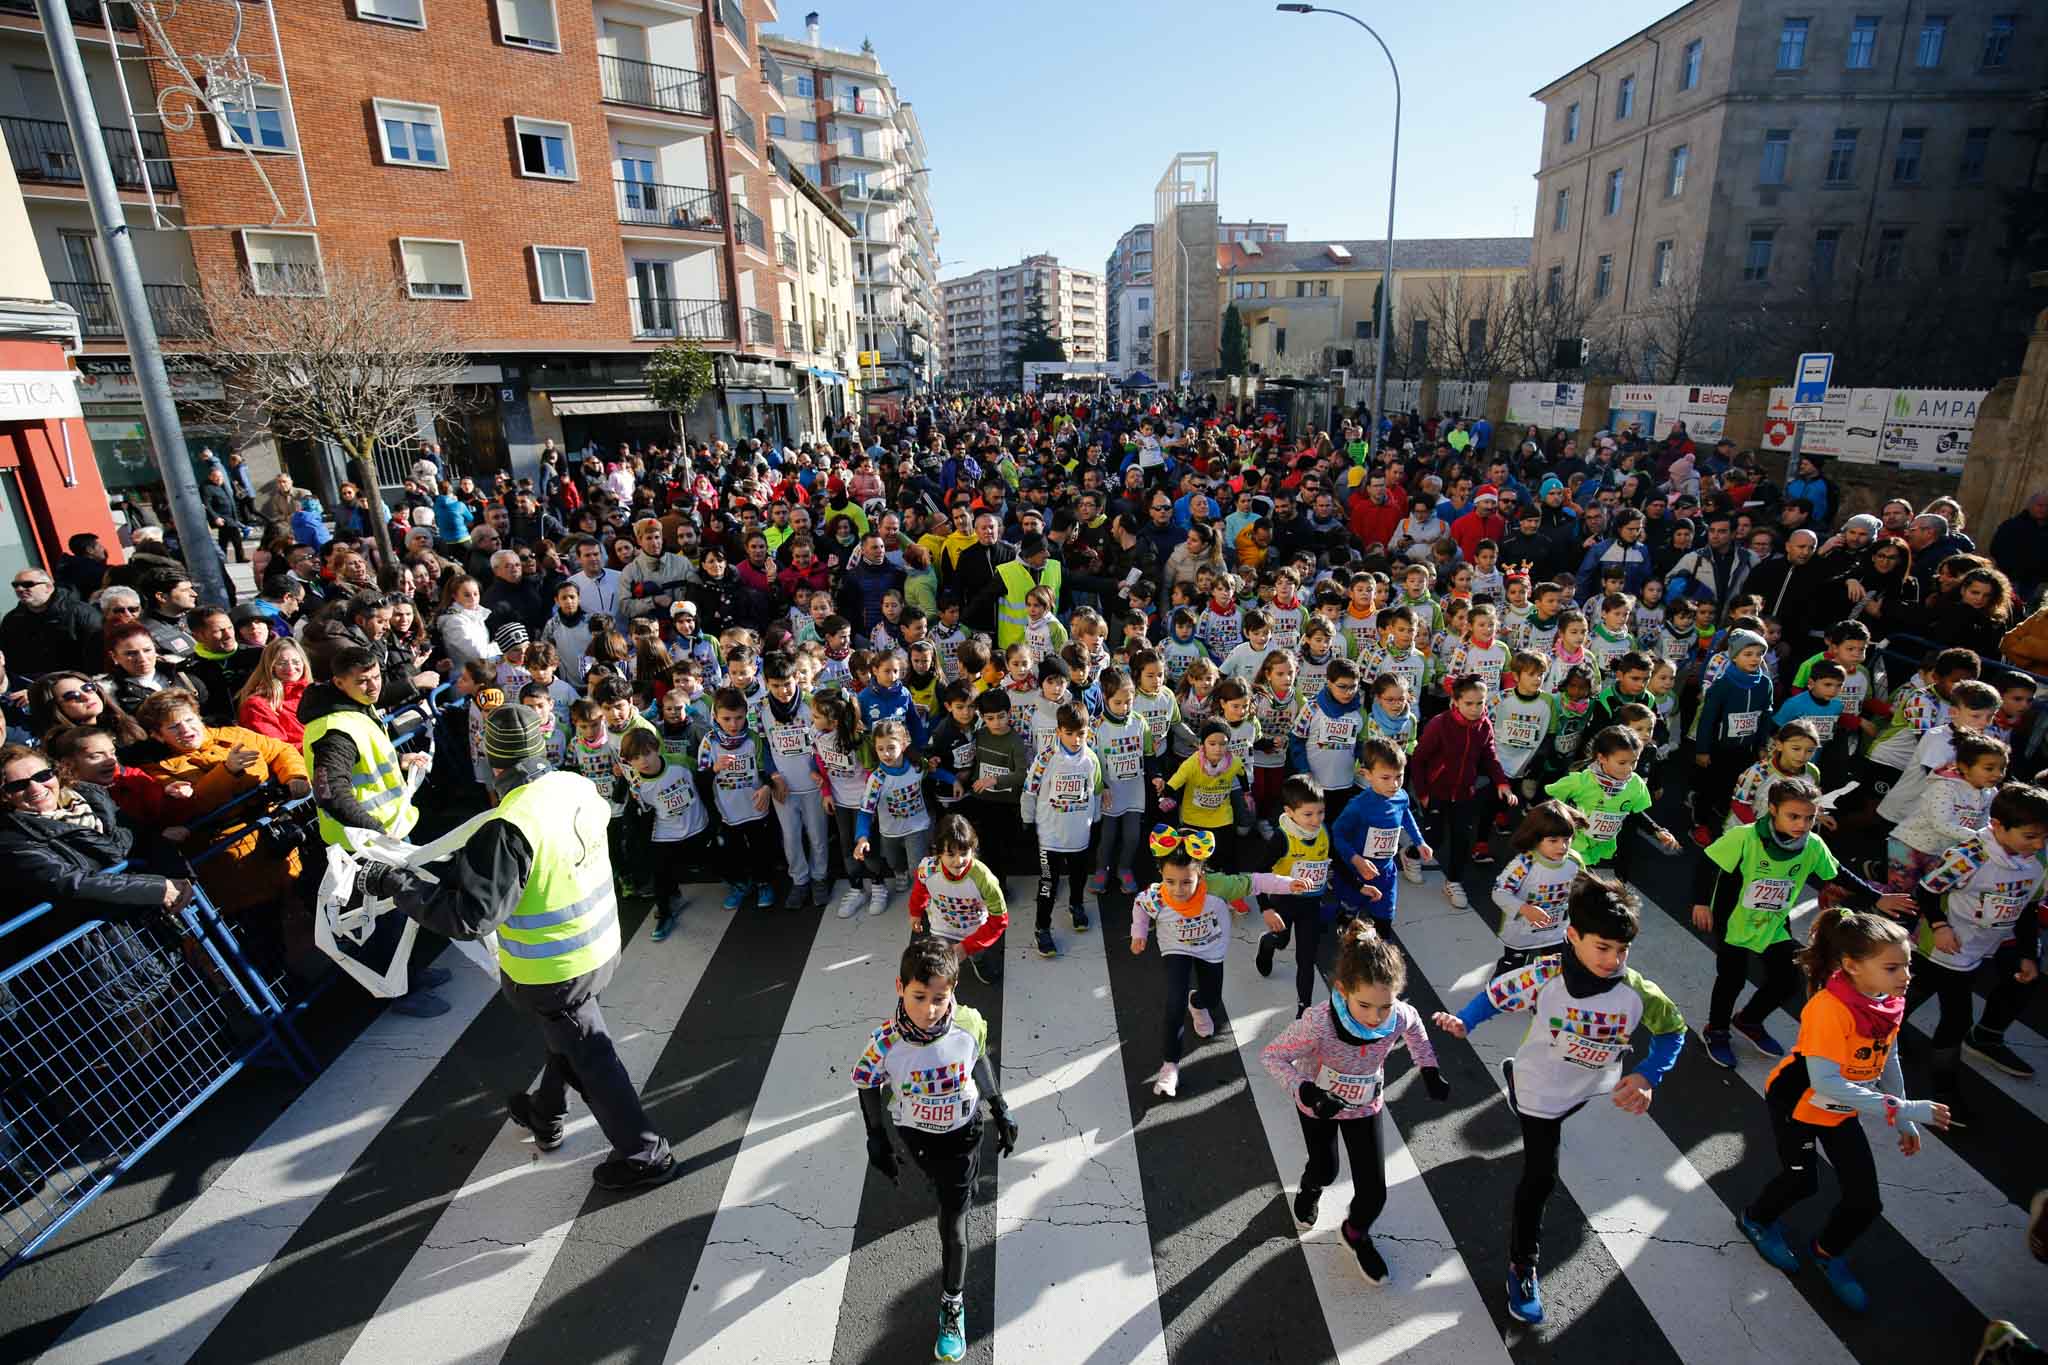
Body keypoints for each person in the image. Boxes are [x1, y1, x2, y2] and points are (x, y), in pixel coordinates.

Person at [358, 704, 678, 1191]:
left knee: (592, 1055)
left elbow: (469, 916)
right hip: (599, 944)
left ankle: (645, 1154)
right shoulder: (575, 785)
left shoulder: (509, 824)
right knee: (570, 1037)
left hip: (553, 968)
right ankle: (544, 1113)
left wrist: (398, 884)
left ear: (491, 759)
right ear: (543, 743)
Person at [1433, 874, 1685, 1327]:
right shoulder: (1547, 974)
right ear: (1573, 936)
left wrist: (1648, 1075)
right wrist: (1464, 1022)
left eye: (1622, 950)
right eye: (1602, 948)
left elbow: (1673, 1032)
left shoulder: (1639, 992)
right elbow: (1498, 994)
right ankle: (1522, 1266)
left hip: (1588, 1086)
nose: (1613, 960)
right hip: (1540, 1092)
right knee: (1541, 1178)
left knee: (1565, 1117)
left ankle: (1515, 1076)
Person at [1736, 906, 1948, 1311]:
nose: (1905, 976)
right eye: (1892, 967)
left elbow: (1889, 1058)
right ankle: (1756, 1219)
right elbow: (1826, 1083)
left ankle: (1827, 1251)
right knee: (1802, 1181)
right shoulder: (1828, 1009)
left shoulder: (1887, 1001)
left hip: (1841, 1107)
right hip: (1798, 1103)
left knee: (1866, 1201)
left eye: (1907, 966)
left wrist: (1904, 1119)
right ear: (1852, 965)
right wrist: (1903, 1107)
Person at [853, 937, 1018, 1363]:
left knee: (954, 1224)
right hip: (916, 1138)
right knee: (944, 1190)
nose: (929, 1010)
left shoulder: (968, 1024)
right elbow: (868, 1082)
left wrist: (999, 1107)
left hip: (964, 1133)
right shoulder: (885, 1043)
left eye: (939, 998)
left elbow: (978, 1059)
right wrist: (877, 1136)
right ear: (900, 987)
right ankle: (954, 1192)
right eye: (919, 997)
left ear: (954, 990)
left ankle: (952, 1304)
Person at [1261, 919, 1449, 1284]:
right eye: (1365, 1005)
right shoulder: (1318, 1023)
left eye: (1385, 1006)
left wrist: (1428, 1068)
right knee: (1325, 1169)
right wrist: (1308, 1092)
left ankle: (1355, 1233)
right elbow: (1272, 1057)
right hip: (1319, 1107)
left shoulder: (1396, 1014)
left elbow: (1414, 1027)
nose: (1376, 1018)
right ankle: (1310, 1187)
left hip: (1364, 1105)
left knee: (1374, 1191)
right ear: (1343, 989)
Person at [0, 742, 192, 916]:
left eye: (42, 776)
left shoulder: (92, 796)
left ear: (55, 772)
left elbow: (141, 837)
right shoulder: (12, 839)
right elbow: (69, 882)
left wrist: (178, 876)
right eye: (19, 785)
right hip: (101, 940)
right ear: (5, 796)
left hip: (153, 915)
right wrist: (157, 889)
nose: (35, 788)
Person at [3, 567, 103, 674]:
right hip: (36, 684)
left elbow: (99, 652)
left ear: (48, 587)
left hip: (79, 681)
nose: (20, 589)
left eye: (28, 584)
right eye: (15, 585)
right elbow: (9, 658)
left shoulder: (81, 612)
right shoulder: (12, 620)